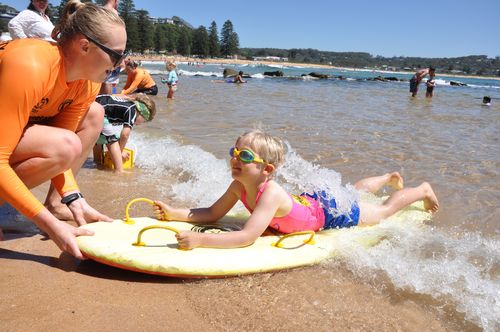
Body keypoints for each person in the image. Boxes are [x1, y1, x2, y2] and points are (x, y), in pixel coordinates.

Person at [152, 130, 439, 250]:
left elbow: (247, 237)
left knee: (383, 212)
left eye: (246, 156)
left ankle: (422, 189)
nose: (235, 159)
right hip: (310, 202)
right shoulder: (238, 185)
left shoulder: (271, 193)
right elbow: (213, 212)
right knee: (352, 190)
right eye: (235, 151)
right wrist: (175, 213)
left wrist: (202, 241)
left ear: (267, 170)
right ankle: (388, 176)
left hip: (328, 214)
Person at [0, 0, 127, 258]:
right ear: (84, 46)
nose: (120, 64)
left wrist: (73, 196)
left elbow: (63, 153)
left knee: (93, 115)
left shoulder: (87, 81)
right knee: (65, 144)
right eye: (116, 55)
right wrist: (50, 225)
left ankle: (50, 202)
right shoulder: (30, 64)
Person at [93, 93, 156, 172]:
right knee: (112, 140)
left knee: (98, 137)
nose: (140, 124)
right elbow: (125, 134)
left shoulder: (127, 102)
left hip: (92, 104)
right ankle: (119, 170)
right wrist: (120, 151)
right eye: (143, 120)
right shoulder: (132, 110)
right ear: (141, 112)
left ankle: (97, 162)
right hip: (99, 111)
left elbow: (111, 97)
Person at [98, 0, 120, 95]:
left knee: (106, 80)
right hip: (112, 52)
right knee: (108, 80)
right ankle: (106, 103)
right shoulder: (113, 12)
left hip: (105, 50)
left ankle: (104, 101)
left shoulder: (101, 10)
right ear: (116, 1)